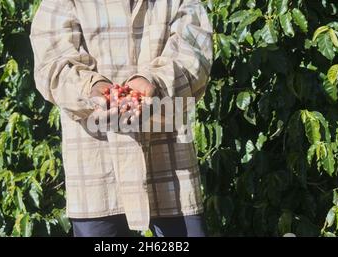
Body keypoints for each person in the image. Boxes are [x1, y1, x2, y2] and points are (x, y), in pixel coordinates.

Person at [30, 0, 213, 237]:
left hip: (169, 162)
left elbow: (194, 53)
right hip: (96, 166)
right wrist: (92, 87)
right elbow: (52, 62)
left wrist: (153, 82)